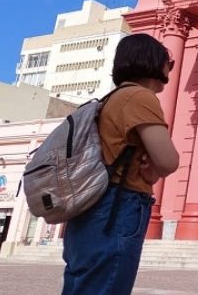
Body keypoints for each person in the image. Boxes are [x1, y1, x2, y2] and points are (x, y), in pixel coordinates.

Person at [62, 33, 180, 295]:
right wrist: (155, 170)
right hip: (117, 206)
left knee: (83, 285)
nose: (170, 68)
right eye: (167, 61)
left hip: (89, 207)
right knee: (108, 284)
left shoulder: (110, 100)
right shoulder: (140, 97)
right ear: (151, 61)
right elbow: (169, 160)